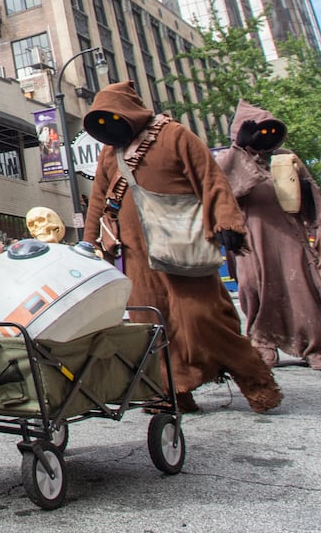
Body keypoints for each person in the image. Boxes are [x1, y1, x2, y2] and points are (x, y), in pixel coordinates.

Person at [83, 81, 282, 414]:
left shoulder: (174, 135)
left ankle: (257, 381)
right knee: (150, 322)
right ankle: (171, 391)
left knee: (203, 316)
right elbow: (98, 201)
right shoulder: (109, 153)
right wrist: (90, 243)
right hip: (135, 253)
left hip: (182, 242)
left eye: (111, 118)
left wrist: (226, 222)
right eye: (100, 122)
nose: (107, 127)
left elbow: (210, 179)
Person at [215, 102, 321, 371]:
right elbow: (222, 188)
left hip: (287, 233)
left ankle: (316, 347)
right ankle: (262, 343)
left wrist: (302, 188)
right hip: (250, 237)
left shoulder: (284, 157)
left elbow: (309, 193)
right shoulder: (231, 159)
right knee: (251, 286)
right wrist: (239, 150)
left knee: (300, 287)